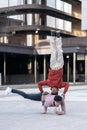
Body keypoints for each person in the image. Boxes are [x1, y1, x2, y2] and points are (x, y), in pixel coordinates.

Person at [38, 30, 69, 98]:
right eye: (55, 91)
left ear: (51, 90)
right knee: (60, 51)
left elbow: (39, 84)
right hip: (60, 66)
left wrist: (42, 92)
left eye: (52, 91)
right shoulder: (60, 85)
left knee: (53, 51)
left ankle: (52, 36)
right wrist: (64, 93)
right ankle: (58, 37)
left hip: (52, 66)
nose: (54, 90)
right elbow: (67, 84)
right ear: (57, 90)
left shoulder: (48, 83)